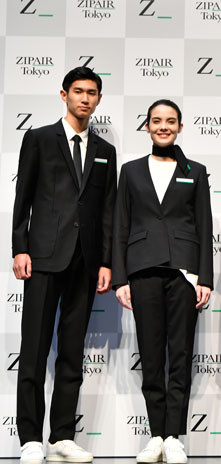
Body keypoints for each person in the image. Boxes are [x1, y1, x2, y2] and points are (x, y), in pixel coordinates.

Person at [12, 67, 117, 464]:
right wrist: (19, 248)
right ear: (64, 95)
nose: (84, 98)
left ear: (99, 99)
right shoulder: (39, 138)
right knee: (34, 350)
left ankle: (61, 436)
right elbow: (23, 197)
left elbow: (107, 210)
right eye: (78, 91)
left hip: (85, 261)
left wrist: (106, 261)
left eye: (91, 92)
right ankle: (29, 438)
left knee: (72, 353)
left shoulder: (105, 150)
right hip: (42, 256)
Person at [112, 99, 213, 464]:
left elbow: (204, 225)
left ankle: (174, 436)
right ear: (148, 126)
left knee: (180, 355)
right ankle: (156, 434)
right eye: (156, 121)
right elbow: (120, 225)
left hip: (184, 272)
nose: (163, 126)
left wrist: (205, 278)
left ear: (180, 127)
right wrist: (120, 279)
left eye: (171, 121)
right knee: (152, 355)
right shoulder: (131, 171)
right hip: (142, 270)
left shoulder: (195, 171)